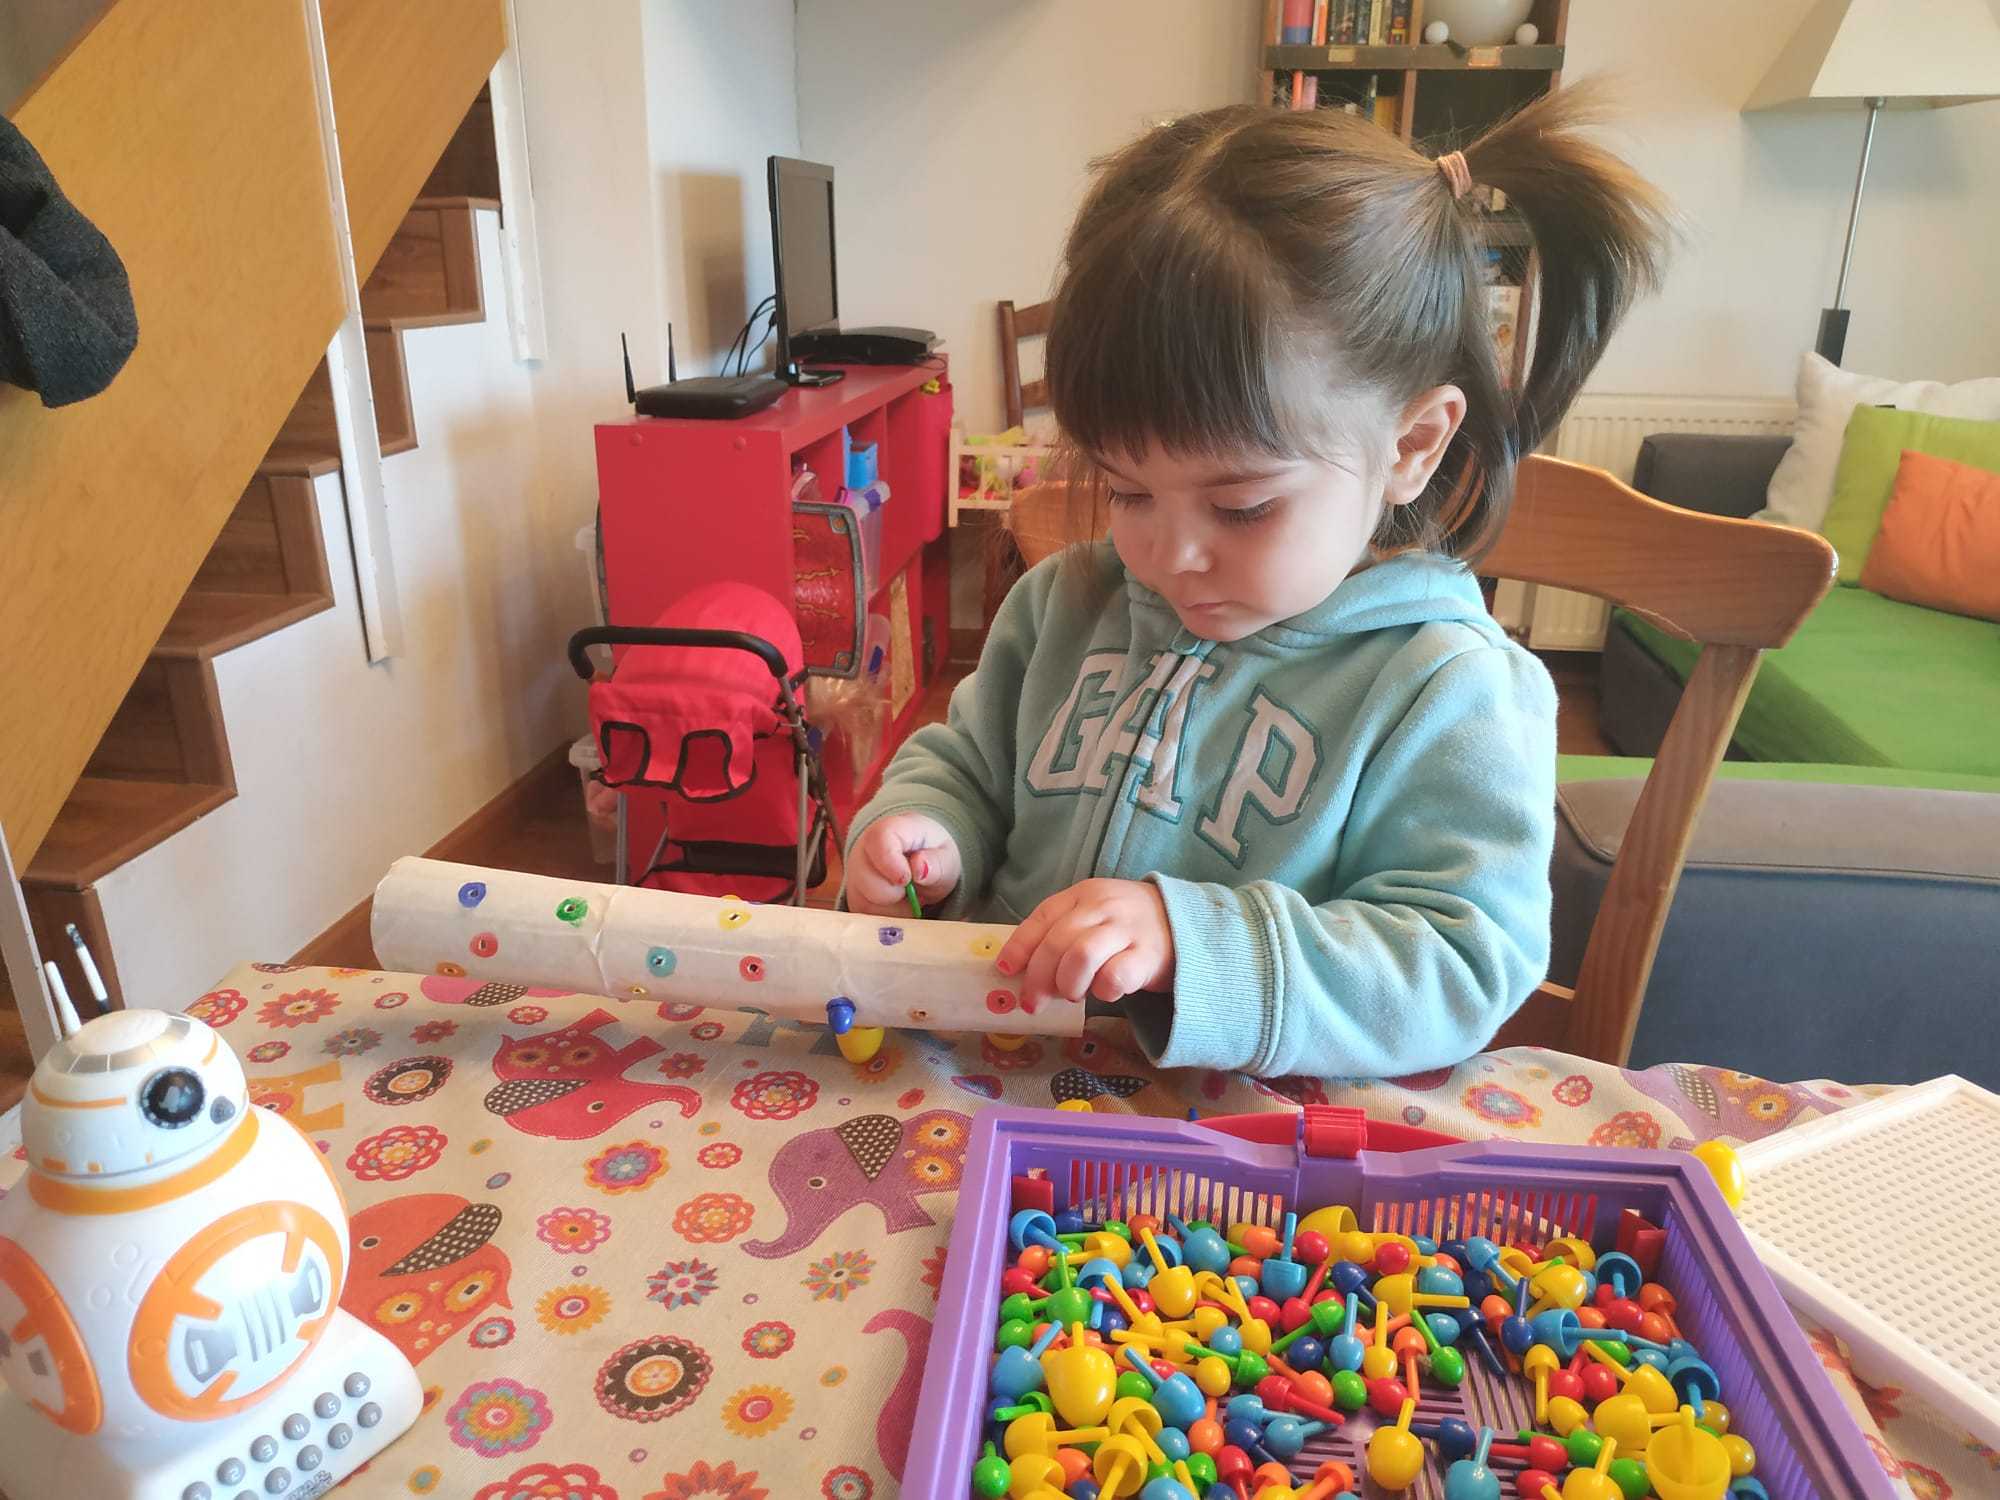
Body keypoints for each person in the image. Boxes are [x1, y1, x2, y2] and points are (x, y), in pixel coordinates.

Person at [846, 88, 1670, 1077]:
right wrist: (923, 833)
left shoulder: (1444, 689)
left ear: (1411, 444)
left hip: (1238, 1143)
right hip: (994, 1089)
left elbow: (1457, 965)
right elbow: (970, 771)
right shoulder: (1064, 605)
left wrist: (1194, 943)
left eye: (1240, 507)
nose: (1170, 554)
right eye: (1127, 490)